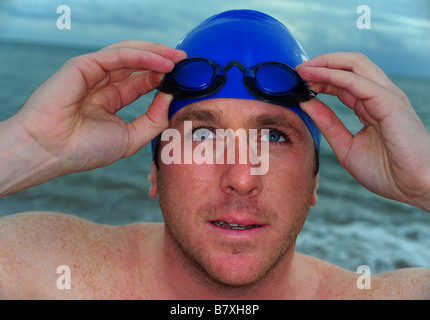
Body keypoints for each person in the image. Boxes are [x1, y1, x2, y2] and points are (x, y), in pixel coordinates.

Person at [0, 10, 429, 300]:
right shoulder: (42, 272)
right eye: (202, 134)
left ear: (315, 179)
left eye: (274, 138)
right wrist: (27, 148)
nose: (241, 177)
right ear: (155, 168)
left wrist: (425, 182)